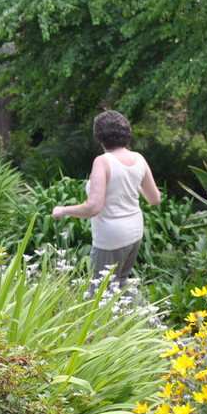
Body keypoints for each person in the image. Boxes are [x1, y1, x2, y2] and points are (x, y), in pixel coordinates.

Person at [52, 110, 161, 288]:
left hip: (111, 238)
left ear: (99, 137)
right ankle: (141, 314)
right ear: (127, 133)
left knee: (99, 291)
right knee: (120, 283)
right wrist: (133, 182)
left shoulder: (103, 161)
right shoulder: (139, 159)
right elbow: (154, 199)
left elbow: (93, 207)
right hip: (134, 232)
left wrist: (63, 210)